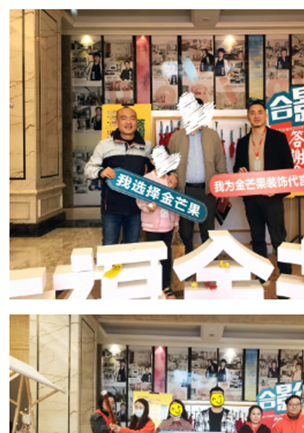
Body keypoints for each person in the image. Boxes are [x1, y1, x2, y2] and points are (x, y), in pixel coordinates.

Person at [85, 105, 163, 245]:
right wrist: (101, 172)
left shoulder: (146, 146)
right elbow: (88, 169)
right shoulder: (104, 145)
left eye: (132, 118)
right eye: (124, 118)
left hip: (136, 207)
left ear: (136, 122)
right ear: (117, 122)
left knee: (132, 246)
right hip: (111, 207)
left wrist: (172, 175)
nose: (128, 122)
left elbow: (157, 171)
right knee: (109, 245)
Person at [234, 99, 296, 276]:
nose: (256, 116)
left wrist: (277, 191)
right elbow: (237, 167)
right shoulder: (242, 142)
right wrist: (239, 171)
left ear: (266, 115)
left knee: (279, 239)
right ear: (248, 117)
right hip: (251, 198)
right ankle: (262, 275)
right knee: (257, 238)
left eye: (260, 112)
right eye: (252, 113)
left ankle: (286, 275)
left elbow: (288, 169)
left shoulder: (278, 138)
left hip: (272, 197)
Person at [166, 97, 227, 254]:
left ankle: (208, 266)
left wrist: (223, 190)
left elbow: (221, 165)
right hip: (184, 192)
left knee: (208, 233)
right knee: (185, 234)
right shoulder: (176, 137)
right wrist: (172, 175)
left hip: (207, 192)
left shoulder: (213, 136)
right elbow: (169, 166)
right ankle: (187, 266)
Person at [136, 154, 180, 298]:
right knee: (153, 257)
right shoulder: (147, 178)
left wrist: (176, 222)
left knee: (166, 258)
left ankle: (165, 286)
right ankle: (153, 287)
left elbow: (175, 203)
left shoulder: (170, 180)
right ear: (152, 161)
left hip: (168, 226)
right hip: (151, 226)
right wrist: (149, 207)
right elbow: (139, 201)